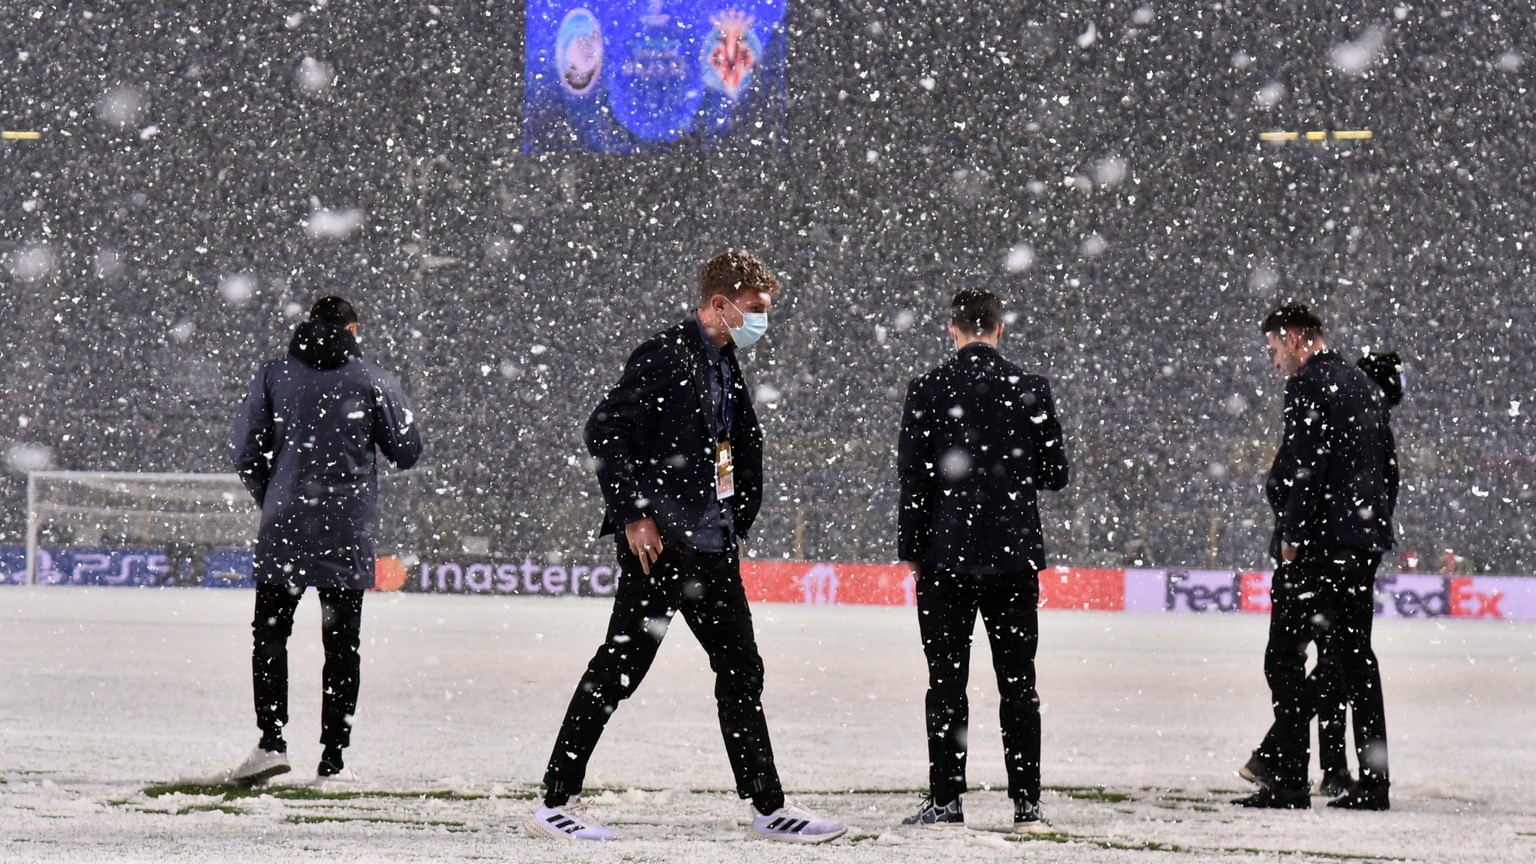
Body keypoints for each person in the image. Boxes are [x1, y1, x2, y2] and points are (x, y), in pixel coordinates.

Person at [527, 250, 845, 843]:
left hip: (711, 545)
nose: (761, 322)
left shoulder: (723, 362)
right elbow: (605, 430)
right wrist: (635, 515)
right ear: (719, 304)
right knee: (620, 667)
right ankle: (556, 799)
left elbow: (732, 444)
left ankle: (769, 807)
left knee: (741, 669)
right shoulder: (667, 355)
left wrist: (734, 516)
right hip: (663, 548)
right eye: (754, 310)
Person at [228, 296, 423, 786]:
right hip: (346, 526)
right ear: (353, 329)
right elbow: (406, 450)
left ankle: (271, 742)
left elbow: (246, 449)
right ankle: (333, 760)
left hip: (285, 522)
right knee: (342, 645)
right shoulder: (372, 378)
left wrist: (273, 495)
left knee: (270, 635)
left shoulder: (275, 374)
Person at [896, 288, 1070, 833]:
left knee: (946, 683)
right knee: (1019, 684)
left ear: (953, 330)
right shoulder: (1030, 389)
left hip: (945, 558)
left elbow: (914, 482)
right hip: (1012, 558)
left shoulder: (927, 388)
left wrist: (913, 550)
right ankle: (1027, 805)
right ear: (999, 329)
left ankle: (947, 800)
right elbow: (1055, 474)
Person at [1235, 303, 1395, 811]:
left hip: (1319, 548)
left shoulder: (1310, 385)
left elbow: (1305, 466)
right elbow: (1385, 471)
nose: (1275, 359)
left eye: (1275, 348)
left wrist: (1293, 537)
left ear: (1296, 338)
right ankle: (1373, 783)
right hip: (1360, 544)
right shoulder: (1362, 386)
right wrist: (1370, 530)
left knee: (1282, 659)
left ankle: (1287, 781)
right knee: (1355, 662)